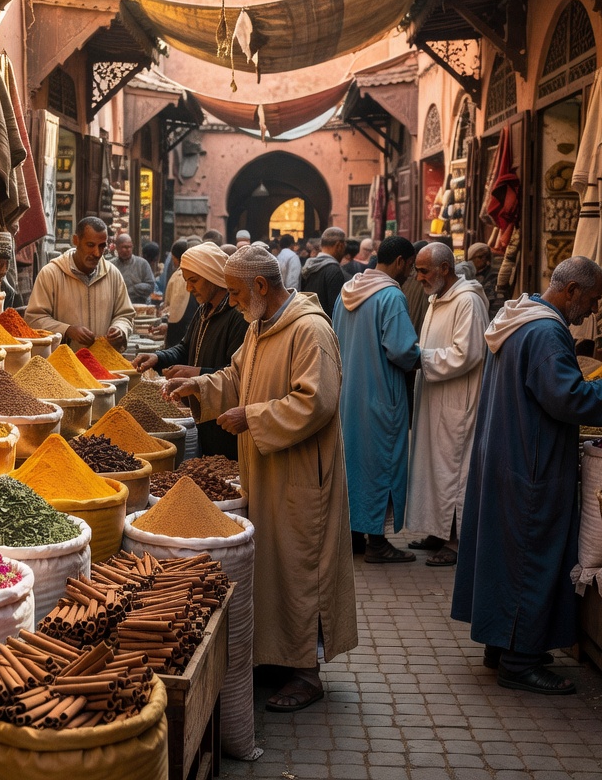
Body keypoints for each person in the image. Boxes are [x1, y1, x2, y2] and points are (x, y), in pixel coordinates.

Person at [451, 257, 602, 694]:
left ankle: (502, 644)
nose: (593, 310)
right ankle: (519, 661)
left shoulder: (517, 318)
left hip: (507, 452)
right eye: (593, 299)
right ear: (570, 291)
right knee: (532, 555)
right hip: (532, 462)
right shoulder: (547, 331)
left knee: (508, 554)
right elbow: (567, 398)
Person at [165, 244, 357, 712]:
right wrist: (201, 387)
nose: (229, 301)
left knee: (300, 568)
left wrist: (253, 417)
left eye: (234, 292)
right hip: (267, 470)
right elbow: (235, 376)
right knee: (273, 568)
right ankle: (278, 659)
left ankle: (306, 673)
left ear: (261, 286)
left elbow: (317, 402)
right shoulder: (258, 328)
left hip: (300, 478)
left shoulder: (310, 330)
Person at [335, 236, 421, 562]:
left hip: (348, 397)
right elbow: (401, 350)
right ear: (399, 261)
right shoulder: (390, 296)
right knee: (381, 467)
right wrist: (428, 357)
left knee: (354, 468)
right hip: (381, 397)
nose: (411, 274)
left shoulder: (348, 292)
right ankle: (378, 542)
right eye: (410, 266)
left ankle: (356, 537)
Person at [404, 243, 489, 568]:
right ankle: (437, 531)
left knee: (454, 471)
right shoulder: (437, 298)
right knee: (432, 469)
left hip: (457, 402)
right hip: (434, 397)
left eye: (424, 270)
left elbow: (467, 353)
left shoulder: (467, 301)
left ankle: (454, 542)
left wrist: (420, 358)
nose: (418, 276)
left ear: (444, 268)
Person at [133, 243, 249, 459]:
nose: (189, 288)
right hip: (204, 420)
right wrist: (158, 357)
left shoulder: (238, 317)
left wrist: (195, 373)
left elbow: (237, 374)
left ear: (212, 275)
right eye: (187, 281)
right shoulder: (204, 310)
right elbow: (185, 348)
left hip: (228, 425)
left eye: (193, 281)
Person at [25, 216, 135, 350]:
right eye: (90, 245)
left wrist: (120, 329)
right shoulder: (51, 274)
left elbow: (125, 314)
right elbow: (34, 319)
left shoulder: (113, 274)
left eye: (102, 246)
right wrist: (68, 330)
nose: (96, 253)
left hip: (102, 365)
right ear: (76, 241)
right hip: (63, 365)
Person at [299, 227, 349, 315]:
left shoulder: (308, 266)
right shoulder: (334, 271)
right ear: (339, 245)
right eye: (344, 246)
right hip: (325, 325)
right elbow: (335, 309)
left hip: (308, 319)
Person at [161, 239, 194, 348]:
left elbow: (176, 307)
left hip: (179, 327)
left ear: (175, 257)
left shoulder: (181, 275)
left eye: (173, 258)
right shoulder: (187, 272)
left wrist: (166, 321)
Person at [455, 242, 503, 315]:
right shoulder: (465, 271)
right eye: (480, 257)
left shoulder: (491, 274)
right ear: (471, 258)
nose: (484, 259)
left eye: (486, 257)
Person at [110, 234, 156, 305]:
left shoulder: (142, 263)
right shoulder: (111, 265)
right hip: (118, 305)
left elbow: (151, 285)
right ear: (117, 248)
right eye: (124, 247)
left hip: (140, 305)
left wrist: (135, 289)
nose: (128, 250)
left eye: (130, 247)